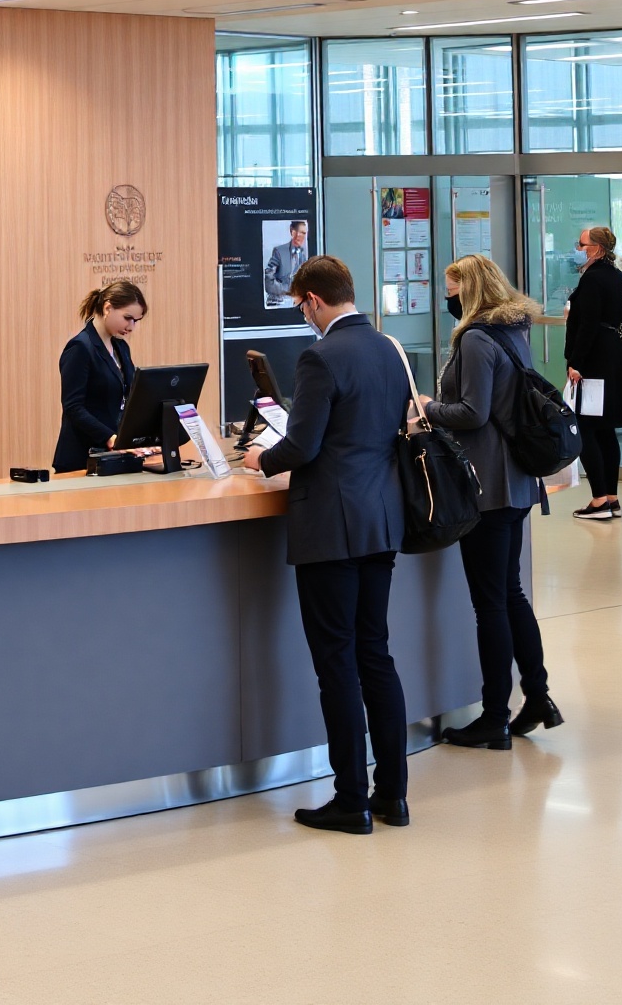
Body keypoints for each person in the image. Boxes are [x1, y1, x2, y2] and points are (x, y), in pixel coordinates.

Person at [249, 254, 412, 834]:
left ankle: (350, 799)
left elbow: (302, 447)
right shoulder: (390, 349)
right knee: (376, 655)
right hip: (381, 520)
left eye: (302, 306)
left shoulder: (320, 356)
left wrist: (260, 459)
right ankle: (392, 795)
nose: (304, 316)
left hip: (331, 528)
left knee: (337, 664)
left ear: (314, 300)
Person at [422, 255, 561, 748]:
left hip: (489, 484)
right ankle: (538, 697)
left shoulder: (477, 339)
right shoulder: (513, 330)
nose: (446, 298)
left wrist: (426, 407)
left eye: (450, 290)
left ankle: (495, 717)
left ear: (469, 291)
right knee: (509, 593)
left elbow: (473, 413)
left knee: (491, 605)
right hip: (516, 480)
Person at [562, 225, 622, 521]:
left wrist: (575, 363)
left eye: (581, 244)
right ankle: (611, 496)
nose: (578, 249)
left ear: (596, 248)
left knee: (586, 428)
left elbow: (588, 325)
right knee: (605, 430)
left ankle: (599, 500)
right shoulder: (616, 275)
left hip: (594, 362)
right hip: (614, 358)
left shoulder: (593, 278)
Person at [53, 280, 144, 471]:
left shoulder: (121, 347)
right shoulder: (80, 347)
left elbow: (130, 395)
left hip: (113, 456)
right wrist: (109, 437)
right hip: (81, 458)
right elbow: (73, 407)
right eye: (127, 318)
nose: (131, 327)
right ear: (108, 308)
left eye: (136, 321)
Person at [264, 220, 310, 305]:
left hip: (297, 303)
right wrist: (287, 291)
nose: (304, 236)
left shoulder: (303, 256)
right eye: (302, 233)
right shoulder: (279, 251)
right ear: (293, 232)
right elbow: (268, 281)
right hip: (279, 302)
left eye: (305, 233)